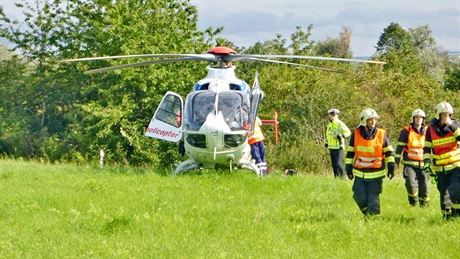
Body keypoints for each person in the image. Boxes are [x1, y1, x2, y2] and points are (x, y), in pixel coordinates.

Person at [345, 108, 395, 216]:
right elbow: (350, 152)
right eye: (370, 120)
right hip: (360, 173)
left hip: (376, 174)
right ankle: (368, 214)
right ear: (364, 121)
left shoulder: (381, 134)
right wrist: (348, 167)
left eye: (374, 119)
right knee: (358, 196)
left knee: (373, 197)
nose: (373, 122)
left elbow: (389, 152)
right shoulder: (356, 134)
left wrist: (391, 166)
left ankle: (373, 218)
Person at [423, 101, 460, 220]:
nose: (446, 117)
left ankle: (456, 215)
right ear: (438, 115)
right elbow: (427, 147)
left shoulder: (455, 126)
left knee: (455, 191)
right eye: (443, 115)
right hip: (440, 167)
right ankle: (446, 217)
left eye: (448, 115)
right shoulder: (430, 130)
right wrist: (427, 162)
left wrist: (453, 126)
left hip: (456, 166)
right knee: (443, 193)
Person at [395, 109, 429, 207]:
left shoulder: (428, 130)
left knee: (425, 187)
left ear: (423, 119)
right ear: (413, 119)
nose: (419, 119)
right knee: (411, 184)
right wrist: (396, 162)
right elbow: (399, 147)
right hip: (410, 165)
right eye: (416, 117)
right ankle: (413, 203)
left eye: (421, 117)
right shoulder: (406, 131)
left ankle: (425, 207)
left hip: (424, 165)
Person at [325, 108, 351, 178]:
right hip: (331, 147)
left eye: (334, 115)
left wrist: (340, 135)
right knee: (334, 164)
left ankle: (343, 178)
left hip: (339, 147)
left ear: (337, 115)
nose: (332, 116)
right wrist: (326, 141)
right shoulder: (329, 124)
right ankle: (336, 178)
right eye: (331, 115)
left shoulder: (340, 123)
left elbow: (348, 133)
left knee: (339, 164)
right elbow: (328, 134)